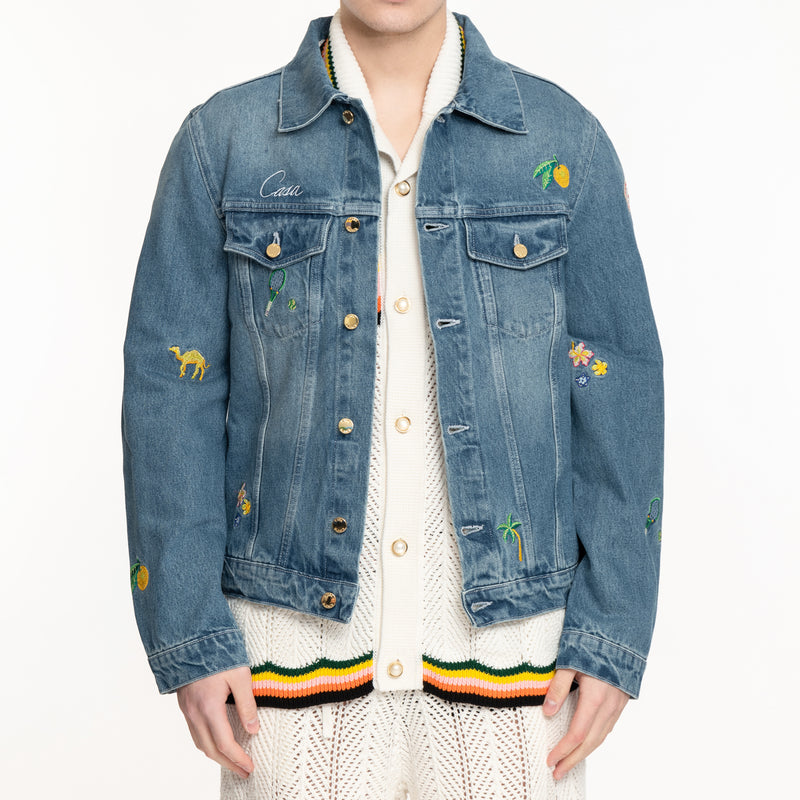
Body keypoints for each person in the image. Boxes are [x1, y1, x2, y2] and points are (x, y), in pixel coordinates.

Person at [122, 2, 664, 798]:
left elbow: (619, 388)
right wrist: (189, 631)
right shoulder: (225, 143)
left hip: (518, 674)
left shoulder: (561, 142)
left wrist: (612, 630)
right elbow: (170, 393)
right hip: (286, 674)